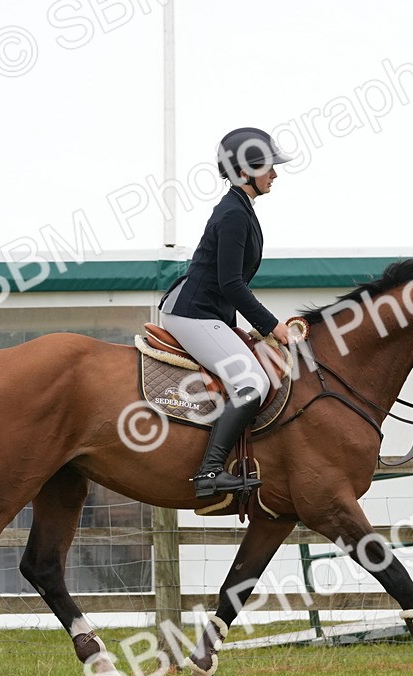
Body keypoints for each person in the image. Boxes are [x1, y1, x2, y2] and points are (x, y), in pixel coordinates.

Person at [159, 127, 294, 498]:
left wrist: (241, 331)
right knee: (253, 384)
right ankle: (209, 473)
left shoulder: (240, 207)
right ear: (246, 170)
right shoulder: (234, 213)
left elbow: (226, 288)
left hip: (207, 313)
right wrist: (271, 326)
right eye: (269, 167)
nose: (275, 174)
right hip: (192, 313)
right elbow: (232, 284)